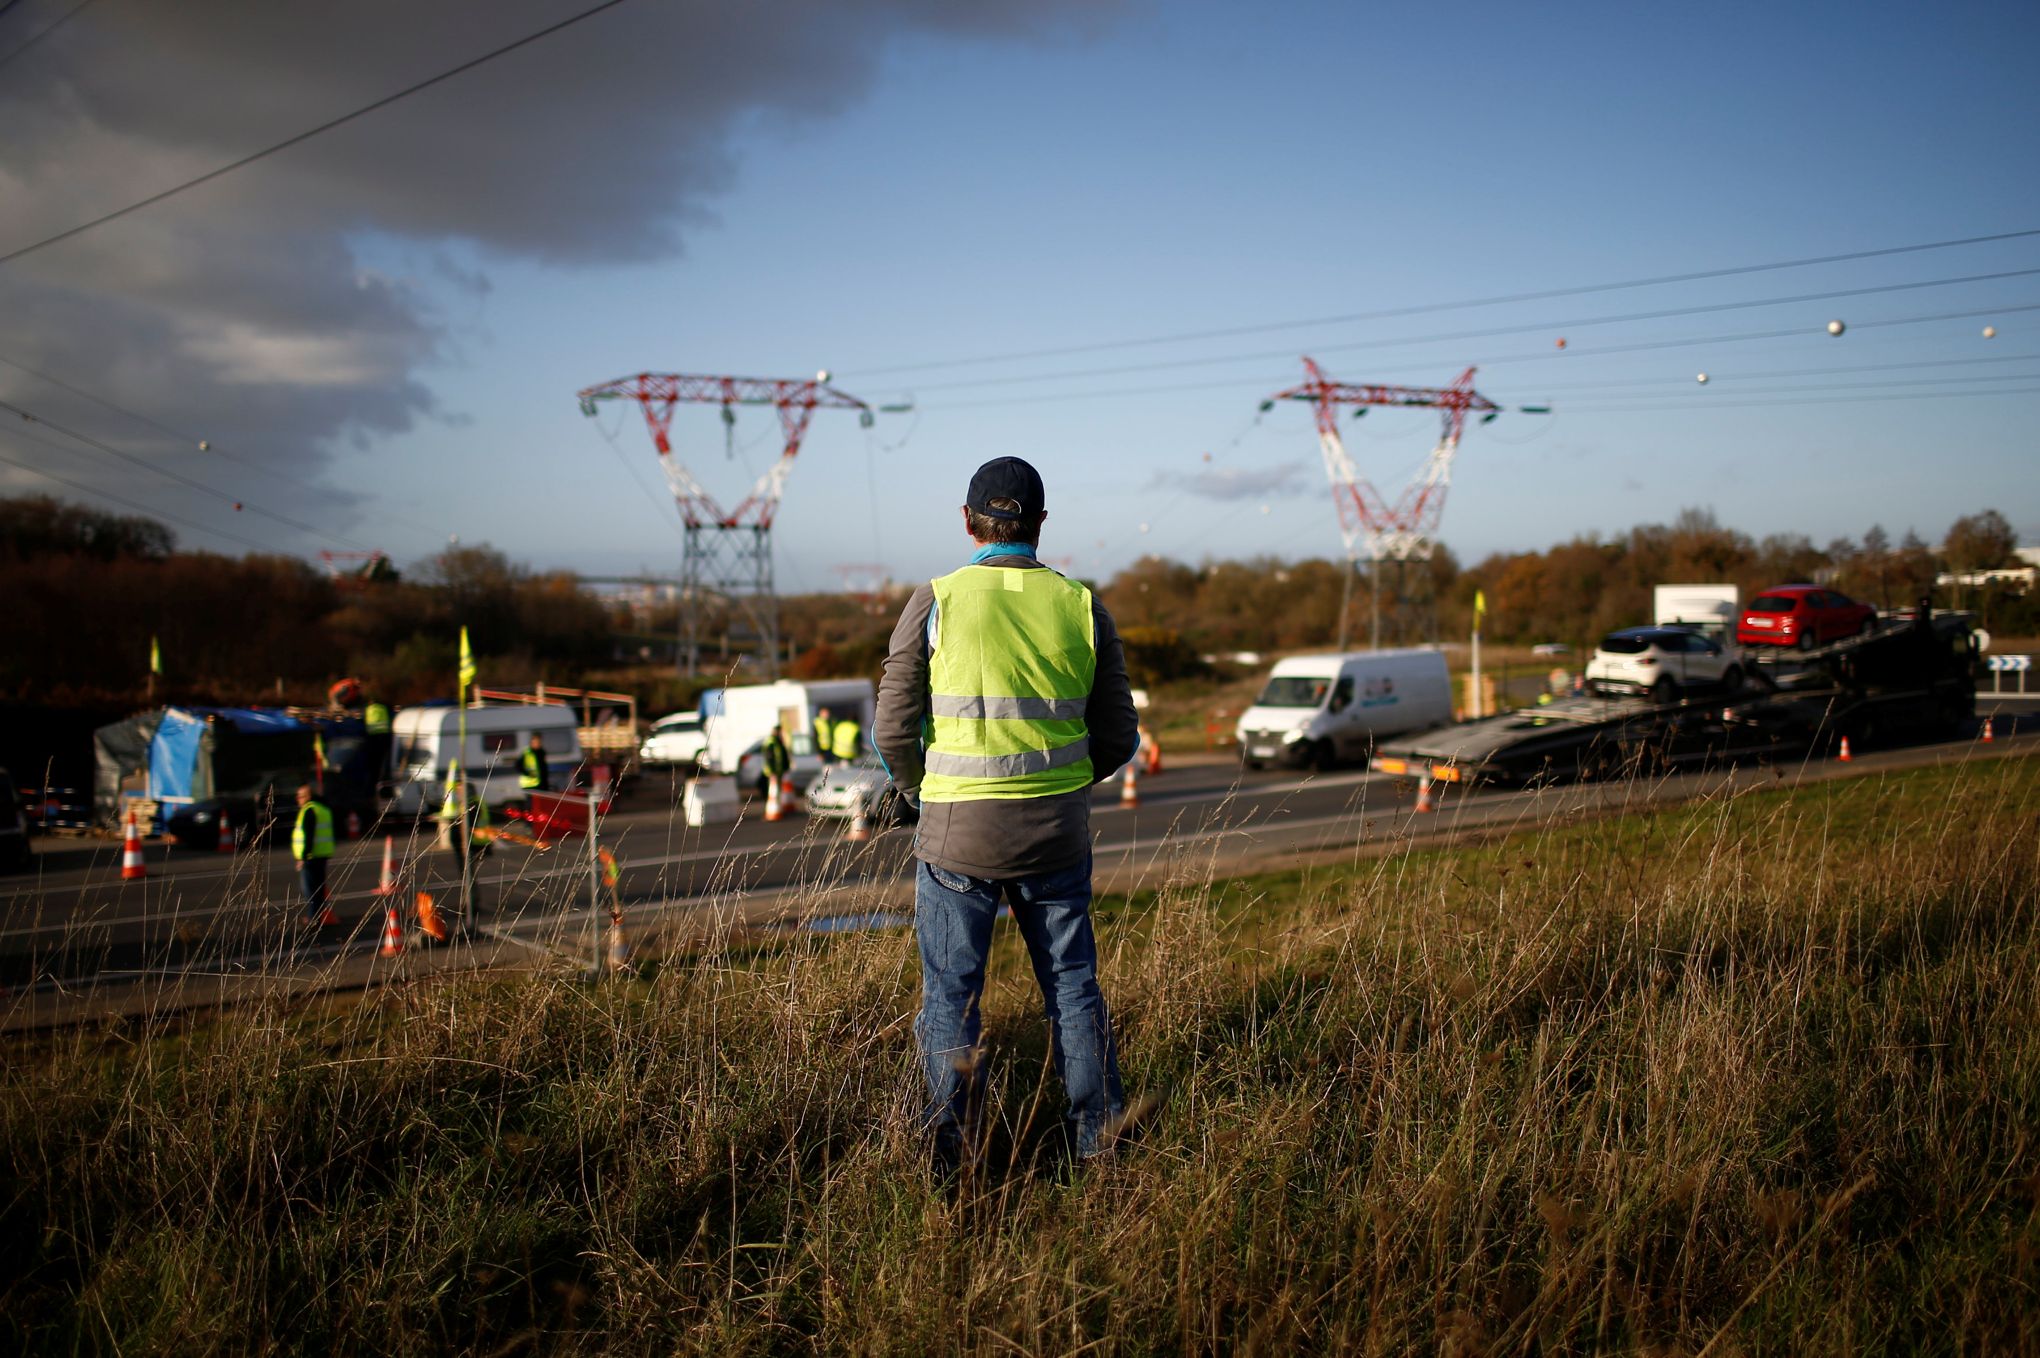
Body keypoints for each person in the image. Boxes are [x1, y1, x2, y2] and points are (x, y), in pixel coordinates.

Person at [875, 455, 1139, 1173]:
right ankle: (1100, 1148)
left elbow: (893, 729)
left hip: (956, 836)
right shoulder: (1082, 605)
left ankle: (957, 1163)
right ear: (1041, 524)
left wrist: (918, 794)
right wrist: (1065, 784)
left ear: (968, 522)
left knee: (951, 999)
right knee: (1073, 988)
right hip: (1056, 835)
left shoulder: (935, 601)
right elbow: (1119, 735)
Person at [291, 783, 336, 925]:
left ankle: (313, 919)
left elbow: (308, 836)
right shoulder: (323, 809)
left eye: (300, 796)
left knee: (310, 891)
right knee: (318, 889)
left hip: (310, 857)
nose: (297, 799)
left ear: (308, 797)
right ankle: (317, 916)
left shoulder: (309, 811)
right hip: (322, 855)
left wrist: (303, 857)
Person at [761, 723, 791, 795]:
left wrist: (786, 767)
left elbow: (783, 756)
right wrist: (772, 772)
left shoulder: (779, 741)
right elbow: (769, 758)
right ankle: (774, 805)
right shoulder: (771, 742)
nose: (781, 733)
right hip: (774, 771)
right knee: (773, 791)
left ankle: (779, 803)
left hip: (779, 770)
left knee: (779, 790)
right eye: (780, 732)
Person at [518, 733, 551, 797]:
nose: (537, 743)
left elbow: (544, 769)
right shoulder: (527, 753)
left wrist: (546, 783)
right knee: (531, 805)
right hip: (529, 785)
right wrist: (528, 773)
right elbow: (518, 766)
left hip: (542, 785)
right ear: (531, 742)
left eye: (539, 742)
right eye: (535, 742)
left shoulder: (542, 752)